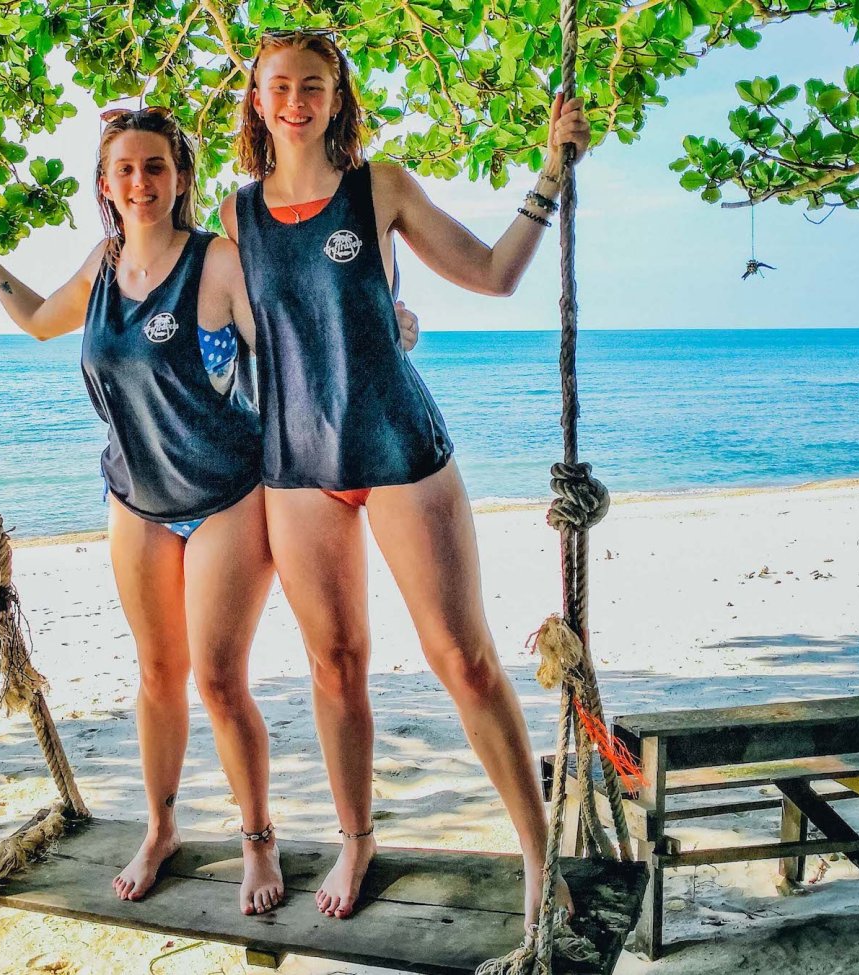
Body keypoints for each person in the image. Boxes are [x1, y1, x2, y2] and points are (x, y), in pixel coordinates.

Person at [219, 31, 592, 923]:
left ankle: (541, 858)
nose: (297, 100)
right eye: (280, 86)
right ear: (258, 100)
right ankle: (358, 841)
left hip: (397, 447)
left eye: (314, 85)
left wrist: (550, 173)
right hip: (296, 465)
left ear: (336, 97)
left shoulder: (377, 187)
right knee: (334, 664)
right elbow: (221, 326)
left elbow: (496, 277)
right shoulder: (235, 217)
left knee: (462, 658)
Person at [0, 107, 286, 915]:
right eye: (126, 169)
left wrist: (387, 328)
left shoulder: (218, 262)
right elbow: (34, 322)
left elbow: (289, 343)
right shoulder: (101, 266)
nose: (141, 182)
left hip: (226, 496)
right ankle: (162, 827)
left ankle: (257, 836)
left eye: (156, 167)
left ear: (179, 177)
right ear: (106, 185)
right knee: (158, 675)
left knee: (218, 679)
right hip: (135, 497)